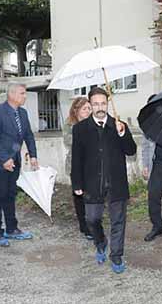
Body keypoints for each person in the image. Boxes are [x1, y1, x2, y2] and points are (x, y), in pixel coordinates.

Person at [71, 87, 136, 274]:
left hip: (116, 184)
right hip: (92, 184)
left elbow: (131, 151)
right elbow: (77, 158)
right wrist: (77, 184)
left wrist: (122, 133)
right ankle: (101, 242)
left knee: (118, 222)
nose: (100, 107)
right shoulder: (80, 129)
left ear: (107, 103)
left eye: (103, 103)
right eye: (96, 104)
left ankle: (116, 256)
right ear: (90, 105)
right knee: (92, 219)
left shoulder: (119, 125)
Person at [0, 83, 38, 246]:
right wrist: (5, 159)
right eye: (22, 93)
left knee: (10, 194)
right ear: (12, 94)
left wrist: (33, 155)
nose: (25, 96)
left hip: (14, 161)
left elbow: (28, 135)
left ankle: (12, 228)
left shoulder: (22, 112)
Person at [63, 97, 93, 240]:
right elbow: (68, 141)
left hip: (92, 165)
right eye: (84, 109)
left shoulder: (93, 123)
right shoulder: (70, 125)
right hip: (76, 165)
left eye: (89, 108)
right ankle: (83, 224)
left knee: (92, 194)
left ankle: (92, 220)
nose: (88, 111)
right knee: (79, 196)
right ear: (76, 110)